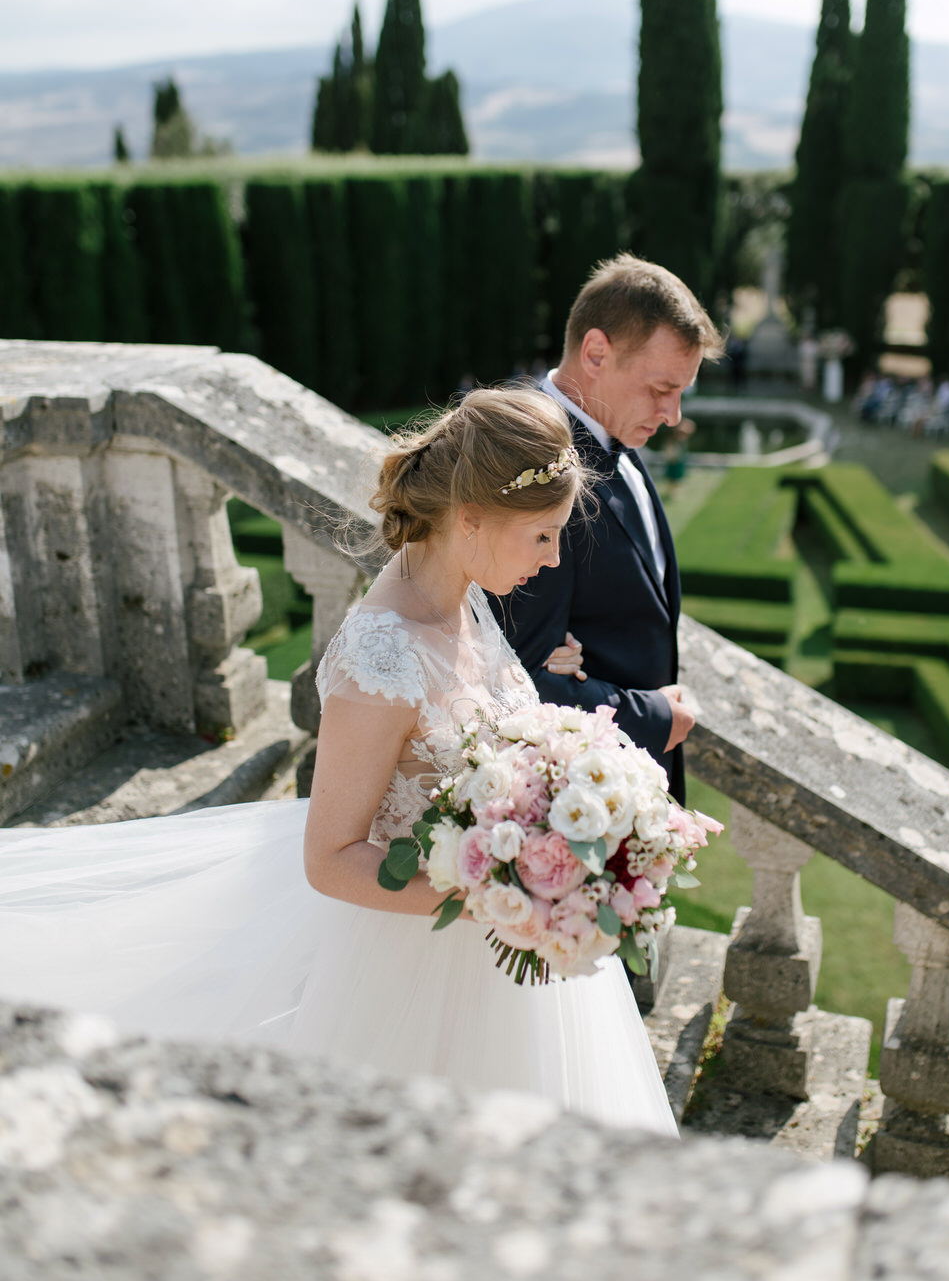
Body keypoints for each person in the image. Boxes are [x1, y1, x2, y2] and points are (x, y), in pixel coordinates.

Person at [0, 389, 677, 1136]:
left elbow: (464, 727)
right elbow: (330, 859)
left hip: (499, 951)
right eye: (543, 537)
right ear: (474, 518)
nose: (552, 560)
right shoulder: (380, 654)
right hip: (416, 965)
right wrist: (503, 897)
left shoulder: (462, 593)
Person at [494, 254, 724, 803]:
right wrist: (650, 716)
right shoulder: (528, 465)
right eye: (660, 388)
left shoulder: (614, 430)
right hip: (569, 803)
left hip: (627, 799)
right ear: (596, 352)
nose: (672, 415)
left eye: (681, 391)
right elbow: (510, 678)